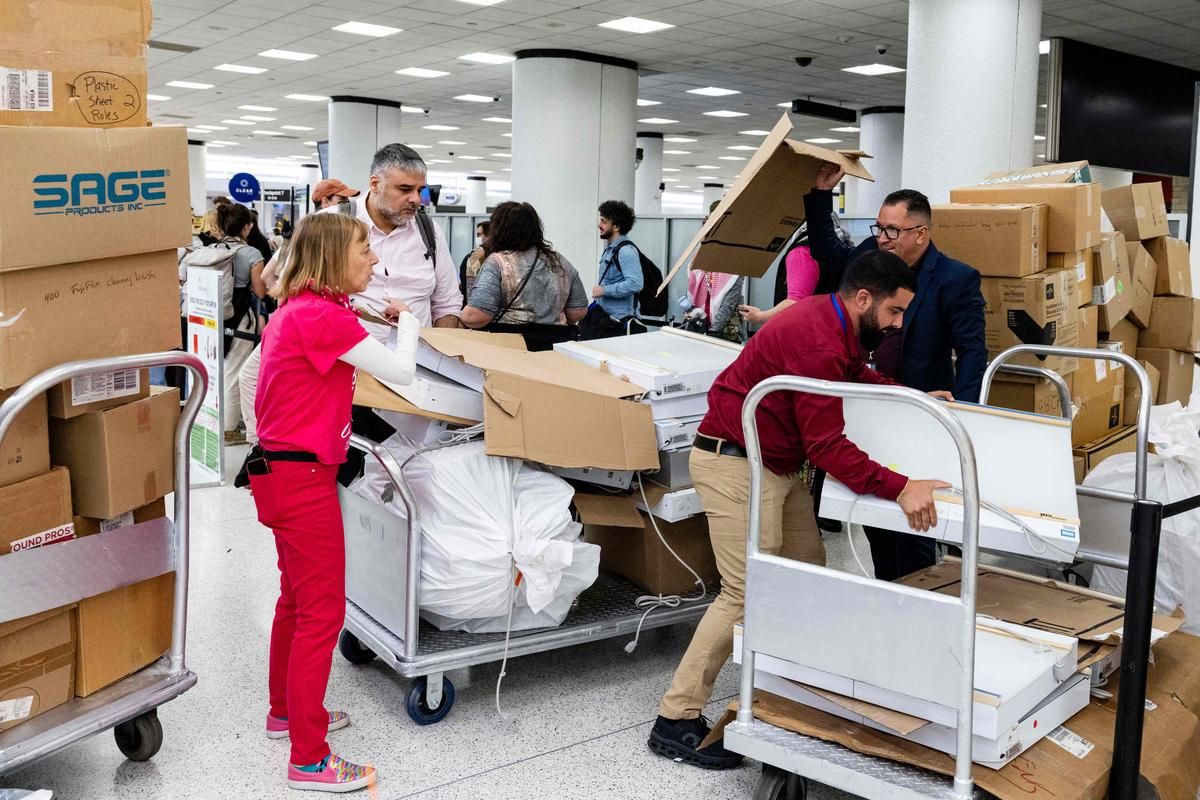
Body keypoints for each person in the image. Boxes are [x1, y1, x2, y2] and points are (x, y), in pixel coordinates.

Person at [647, 250, 953, 769]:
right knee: (746, 592)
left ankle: (789, 689)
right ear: (864, 299)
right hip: (736, 464)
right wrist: (901, 488)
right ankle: (675, 719)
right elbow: (826, 445)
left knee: (808, 571)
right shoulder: (818, 340)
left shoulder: (834, 322)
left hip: (775, 466)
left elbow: (853, 375)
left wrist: (912, 397)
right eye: (895, 311)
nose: (898, 324)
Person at [251, 212, 420, 793]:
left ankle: (285, 714)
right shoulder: (322, 317)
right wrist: (410, 320)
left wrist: (372, 312)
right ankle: (309, 759)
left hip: (281, 472)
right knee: (321, 613)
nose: (374, 259)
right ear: (331, 259)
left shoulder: (300, 308)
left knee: (296, 601)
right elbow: (401, 371)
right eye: (363, 250)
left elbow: (345, 330)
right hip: (302, 479)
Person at [803, 164, 987, 581]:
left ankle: (918, 594)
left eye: (892, 230)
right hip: (870, 410)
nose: (882, 238)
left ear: (920, 233)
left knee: (915, 523)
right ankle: (887, 588)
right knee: (876, 514)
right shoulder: (872, 258)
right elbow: (829, 255)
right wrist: (820, 195)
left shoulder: (955, 279)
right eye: (880, 228)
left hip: (919, 414)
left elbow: (972, 352)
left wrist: (967, 417)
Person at [241, 181, 355, 453]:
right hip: (316, 323)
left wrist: (284, 301)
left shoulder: (300, 234)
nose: (347, 206)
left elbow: (267, 276)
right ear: (325, 201)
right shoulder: (329, 237)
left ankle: (258, 441)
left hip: (291, 323)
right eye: (341, 200)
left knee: (253, 376)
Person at [351, 143, 463, 341]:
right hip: (347, 356)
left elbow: (447, 303)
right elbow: (300, 291)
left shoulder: (429, 231)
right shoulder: (332, 225)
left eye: (420, 190)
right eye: (405, 189)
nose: (416, 200)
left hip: (416, 356)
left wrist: (444, 352)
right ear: (375, 184)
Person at [461, 202, 587, 350]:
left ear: (500, 230)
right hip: (555, 348)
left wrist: (458, 315)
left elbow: (477, 316)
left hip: (511, 348)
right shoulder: (560, 261)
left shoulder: (498, 262)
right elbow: (578, 312)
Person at [738, 214, 853, 327]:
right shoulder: (838, 244)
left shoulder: (802, 252)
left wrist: (760, 316)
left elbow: (795, 304)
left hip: (809, 331)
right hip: (835, 327)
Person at [593, 199, 644, 322]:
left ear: (616, 226)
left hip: (620, 321)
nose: (599, 225)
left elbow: (635, 284)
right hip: (606, 318)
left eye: (604, 221)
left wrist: (604, 290)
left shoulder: (626, 251)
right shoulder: (610, 250)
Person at [459, 219, 490, 300]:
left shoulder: (476, 255)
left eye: (479, 234)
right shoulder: (499, 254)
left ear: (488, 235)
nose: (477, 237)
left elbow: (470, 285)